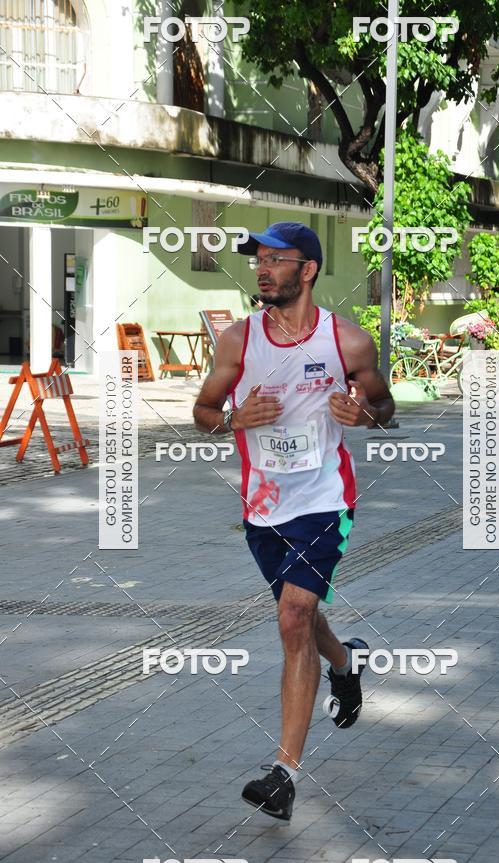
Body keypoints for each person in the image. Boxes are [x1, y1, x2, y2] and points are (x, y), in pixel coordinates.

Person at [193, 222, 395, 821]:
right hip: (262, 509)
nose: (261, 268)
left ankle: (283, 772)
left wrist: (364, 413)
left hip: (326, 501)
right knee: (299, 614)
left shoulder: (349, 344)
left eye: (275, 259)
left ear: (306, 270)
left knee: (293, 614)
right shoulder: (236, 341)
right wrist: (234, 417)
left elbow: (384, 407)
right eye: (257, 259)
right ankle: (345, 661)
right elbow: (202, 412)